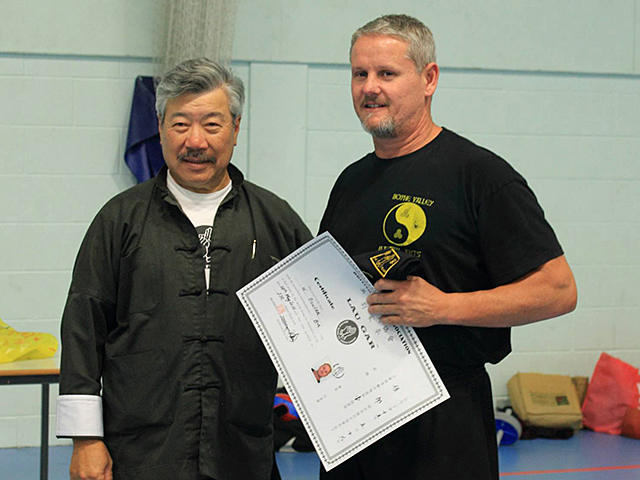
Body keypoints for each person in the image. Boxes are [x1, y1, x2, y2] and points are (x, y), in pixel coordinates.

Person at [319, 14, 577, 480]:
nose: (369, 88)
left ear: (429, 79)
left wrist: (443, 307)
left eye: (387, 73)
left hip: (443, 420)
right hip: (354, 417)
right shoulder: (351, 181)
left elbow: (558, 290)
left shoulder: (480, 176)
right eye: (360, 74)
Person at [56, 58, 312, 480]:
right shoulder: (119, 219)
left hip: (242, 453)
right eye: (180, 125)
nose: (195, 141)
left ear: (235, 127)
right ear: (159, 126)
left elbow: (322, 320)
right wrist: (86, 439)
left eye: (211, 125)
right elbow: (84, 329)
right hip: (142, 453)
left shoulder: (275, 220)